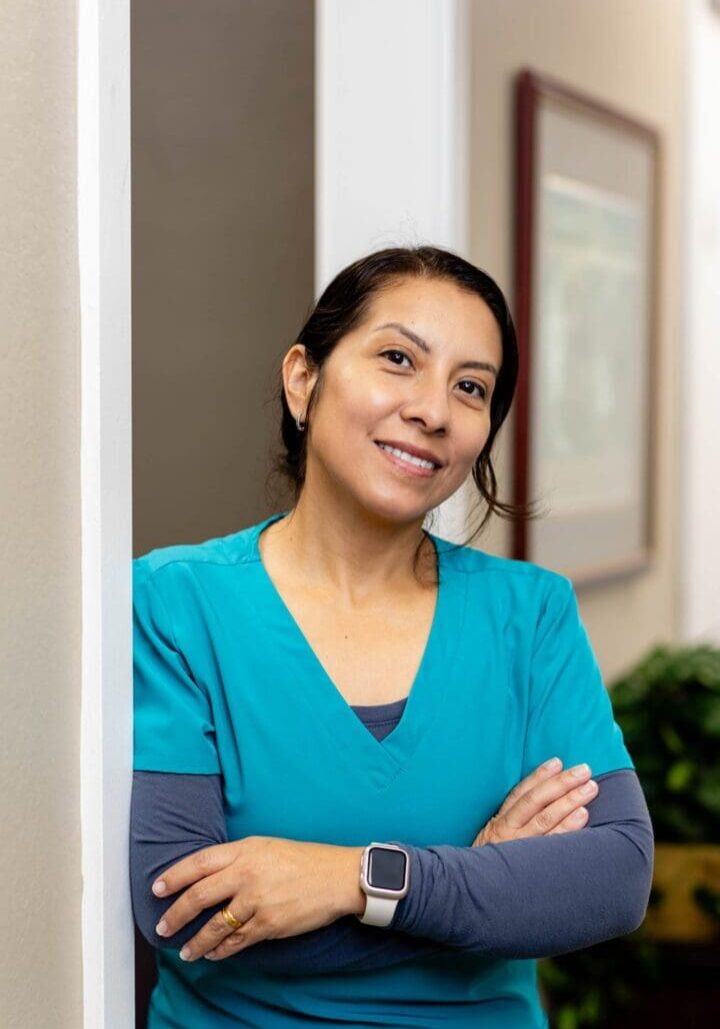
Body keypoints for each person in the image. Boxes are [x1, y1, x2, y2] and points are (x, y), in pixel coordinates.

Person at [130, 246, 654, 1027]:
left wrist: (359, 880)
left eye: (469, 387)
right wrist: (481, 883)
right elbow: (186, 912)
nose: (433, 409)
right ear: (303, 378)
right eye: (399, 359)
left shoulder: (530, 613)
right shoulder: (178, 602)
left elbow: (614, 876)